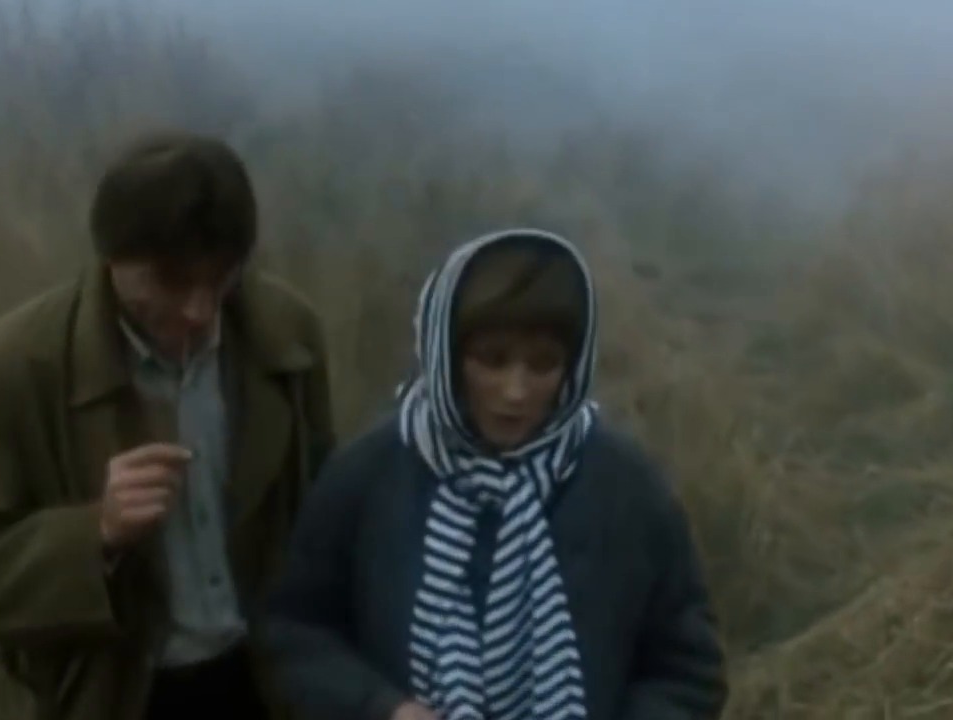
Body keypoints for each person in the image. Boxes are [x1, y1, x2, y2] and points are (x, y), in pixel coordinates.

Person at [0, 130, 336, 720]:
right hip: (118, 697)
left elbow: (324, 515)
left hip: (274, 686)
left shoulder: (286, 334)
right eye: (171, 282)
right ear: (112, 258)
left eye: (221, 278)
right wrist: (95, 535)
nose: (199, 309)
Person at [261, 228, 728, 720]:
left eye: (543, 365)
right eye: (492, 359)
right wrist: (383, 708)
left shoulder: (626, 489)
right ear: (446, 352)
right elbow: (298, 634)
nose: (515, 391)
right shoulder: (369, 475)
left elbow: (686, 670)